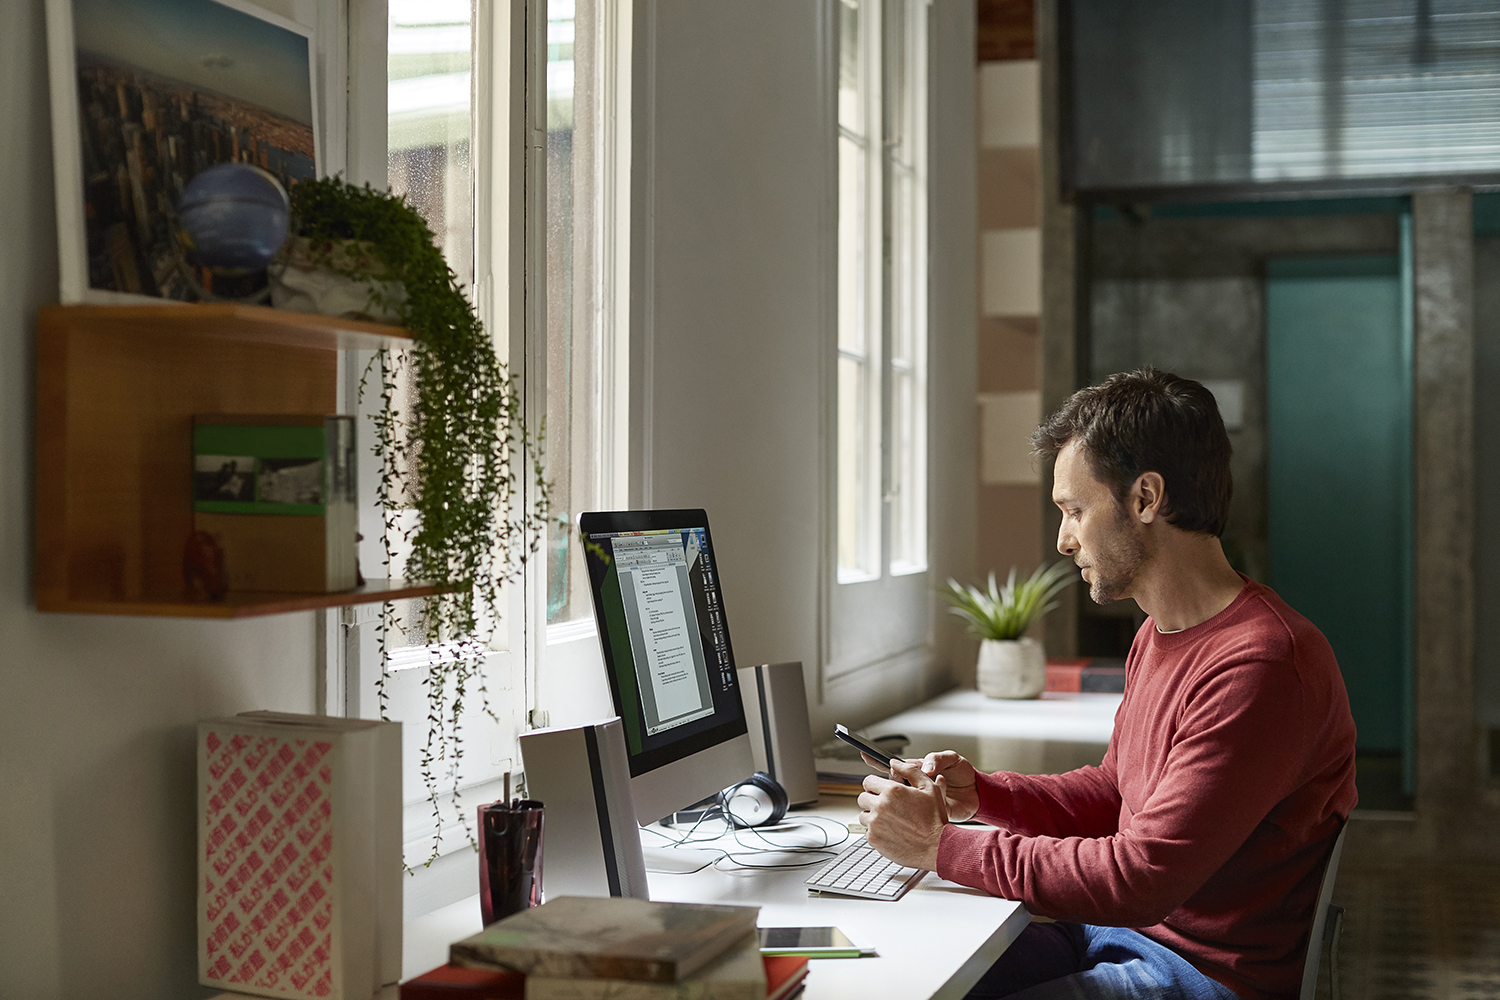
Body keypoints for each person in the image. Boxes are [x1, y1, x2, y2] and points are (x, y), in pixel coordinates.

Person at [857, 368, 1357, 1000]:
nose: (1064, 540)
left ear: (1146, 498)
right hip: (1122, 933)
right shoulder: (1160, 632)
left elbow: (1140, 875)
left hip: (1200, 974)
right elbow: (1115, 792)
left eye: (1075, 510)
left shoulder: (1261, 665)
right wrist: (983, 796)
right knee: (910, 979)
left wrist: (940, 848)